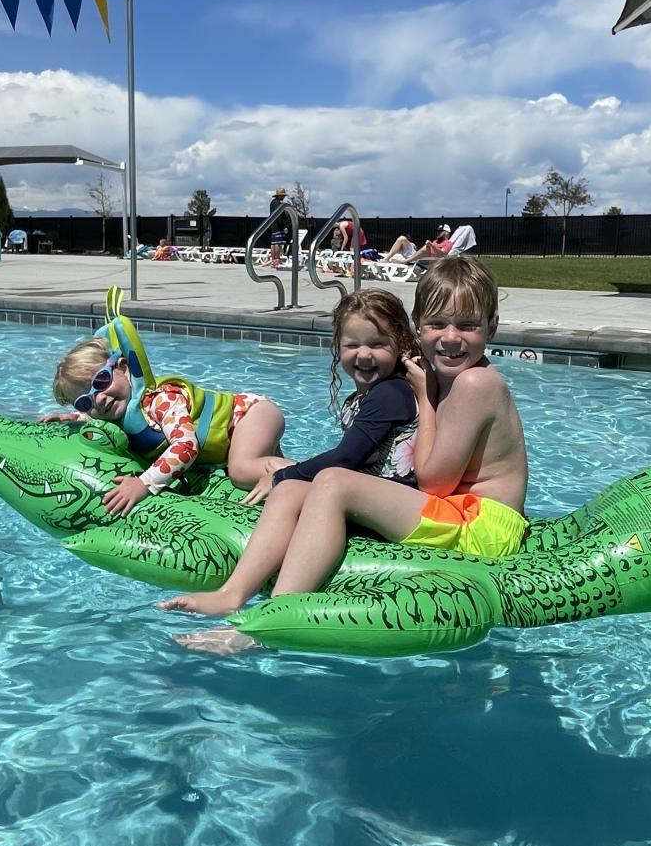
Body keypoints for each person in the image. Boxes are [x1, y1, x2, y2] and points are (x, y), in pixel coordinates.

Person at [168, 258, 529, 651]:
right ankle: (233, 594)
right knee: (292, 491)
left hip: (482, 528)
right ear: (418, 326)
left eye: (467, 325)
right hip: (455, 510)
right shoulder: (446, 372)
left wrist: (425, 398)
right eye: (438, 324)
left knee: (333, 482)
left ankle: (268, 622)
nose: (451, 337)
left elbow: (433, 481)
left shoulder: (475, 382)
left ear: (491, 327)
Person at [159, 287, 420, 619]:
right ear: (338, 346)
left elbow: (345, 459)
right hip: (367, 498)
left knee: (290, 482)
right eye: (352, 345)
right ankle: (231, 594)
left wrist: (284, 473)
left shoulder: (391, 393)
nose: (364, 355)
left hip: (394, 507)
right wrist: (289, 479)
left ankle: (277, 609)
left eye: (377, 344)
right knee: (291, 489)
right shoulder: (372, 393)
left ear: (401, 343)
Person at [49, 320, 287, 516]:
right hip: (237, 432)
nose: (99, 399)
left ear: (124, 368)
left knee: (241, 470)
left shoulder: (160, 400)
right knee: (252, 468)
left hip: (248, 415)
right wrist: (71, 418)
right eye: (85, 401)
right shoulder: (113, 411)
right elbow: (95, 420)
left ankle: (291, 473)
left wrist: (144, 484)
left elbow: (186, 446)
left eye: (101, 382)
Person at [269, 187, 289, 268]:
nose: (284, 197)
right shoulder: (278, 204)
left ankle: (273, 260)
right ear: (279, 196)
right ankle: (277, 259)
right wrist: (284, 226)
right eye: (283, 195)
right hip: (278, 225)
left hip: (273, 225)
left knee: (273, 243)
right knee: (278, 243)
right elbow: (280, 216)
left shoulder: (272, 203)